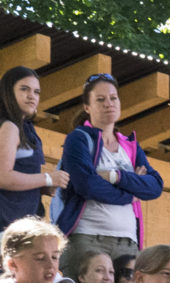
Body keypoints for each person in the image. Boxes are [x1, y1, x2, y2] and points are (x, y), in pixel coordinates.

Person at [51, 74, 162, 259]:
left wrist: (115, 177)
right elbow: (87, 186)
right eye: (100, 99)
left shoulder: (130, 145)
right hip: (87, 237)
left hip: (128, 242)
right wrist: (131, 194)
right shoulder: (78, 139)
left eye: (113, 98)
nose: (108, 103)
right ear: (87, 107)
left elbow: (155, 187)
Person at [0, 66, 65, 229]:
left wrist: (43, 186)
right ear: (8, 91)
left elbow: (20, 174)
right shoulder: (8, 126)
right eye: (24, 89)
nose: (32, 96)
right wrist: (48, 178)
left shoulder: (26, 128)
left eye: (37, 92)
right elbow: (3, 177)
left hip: (20, 223)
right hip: (5, 225)